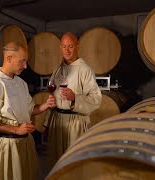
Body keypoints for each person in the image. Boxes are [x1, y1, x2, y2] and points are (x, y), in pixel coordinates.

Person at [0, 41, 56, 180]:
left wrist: (45, 105)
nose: (26, 66)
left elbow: (29, 109)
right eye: (22, 61)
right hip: (7, 146)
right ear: (9, 58)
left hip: (26, 143)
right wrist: (16, 130)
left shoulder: (21, 83)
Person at [43, 32, 102, 169]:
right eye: (64, 46)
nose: (67, 50)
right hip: (57, 121)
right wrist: (47, 124)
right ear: (60, 47)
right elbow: (52, 97)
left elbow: (96, 98)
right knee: (56, 162)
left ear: (77, 46)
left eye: (70, 46)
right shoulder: (58, 70)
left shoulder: (85, 70)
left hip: (76, 122)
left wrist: (75, 97)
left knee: (74, 163)